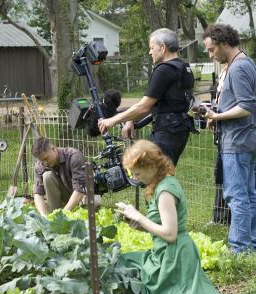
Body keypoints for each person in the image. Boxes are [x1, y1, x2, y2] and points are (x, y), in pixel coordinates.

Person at [115, 139, 223, 294]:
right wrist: (138, 224)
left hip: (174, 256)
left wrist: (138, 216)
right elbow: (160, 226)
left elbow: (170, 234)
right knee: (124, 261)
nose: (136, 178)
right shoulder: (159, 184)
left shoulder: (165, 191)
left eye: (137, 173)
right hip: (164, 252)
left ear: (150, 166)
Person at [98, 28, 196, 166]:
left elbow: (144, 107)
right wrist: (131, 120)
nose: (150, 52)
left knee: (153, 174)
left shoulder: (163, 70)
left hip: (166, 131)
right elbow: (160, 103)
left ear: (163, 47)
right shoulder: (183, 67)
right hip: (179, 129)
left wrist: (112, 120)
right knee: (158, 174)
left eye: (152, 48)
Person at [203, 24, 256, 253]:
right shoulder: (245, 62)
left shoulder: (238, 68)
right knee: (249, 194)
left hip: (237, 141)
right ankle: (250, 244)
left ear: (224, 43)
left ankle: (239, 248)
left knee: (237, 196)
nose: (210, 54)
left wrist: (218, 115)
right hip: (246, 140)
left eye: (212, 49)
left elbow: (247, 106)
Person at [32, 137, 86, 216]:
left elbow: (80, 190)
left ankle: (60, 214)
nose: (45, 163)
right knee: (47, 176)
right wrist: (44, 216)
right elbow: (37, 194)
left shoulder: (74, 156)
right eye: (42, 160)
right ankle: (53, 214)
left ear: (53, 149)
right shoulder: (40, 165)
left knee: (90, 208)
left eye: (46, 158)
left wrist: (63, 214)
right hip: (66, 196)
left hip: (84, 195)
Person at [209, 64, 231, 225]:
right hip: (223, 133)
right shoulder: (224, 72)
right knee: (220, 173)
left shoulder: (237, 71)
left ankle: (226, 217)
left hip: (236, 136)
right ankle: (220, 216)